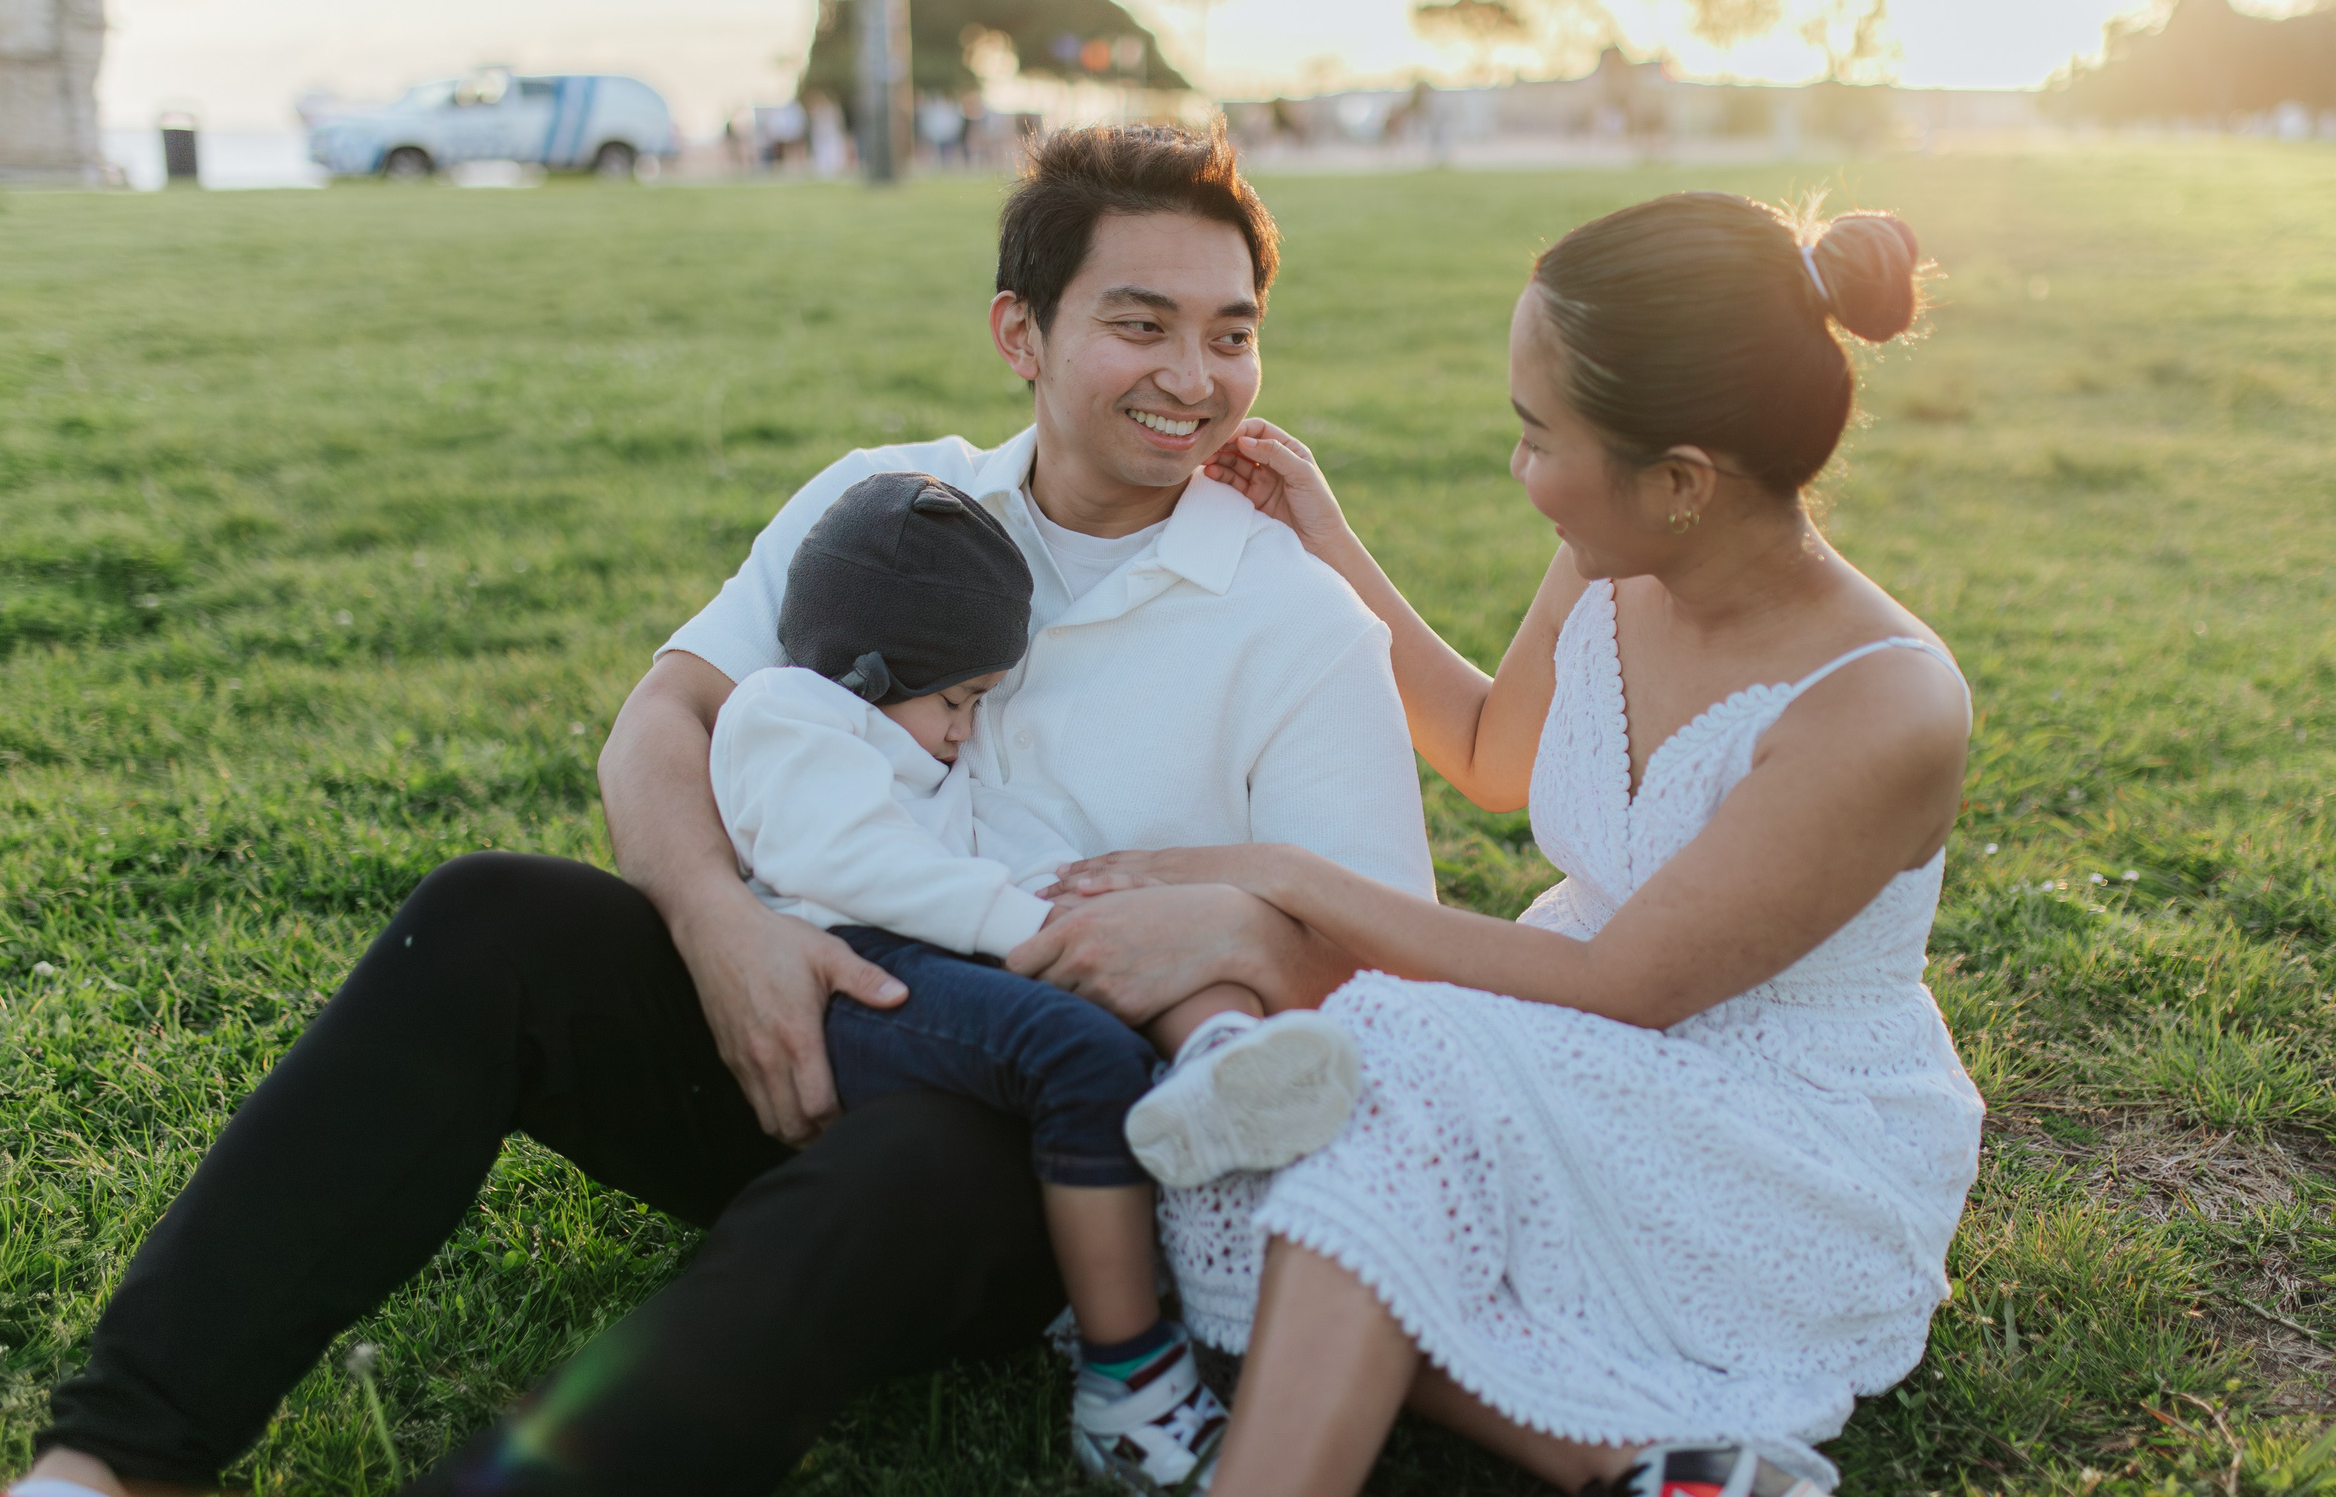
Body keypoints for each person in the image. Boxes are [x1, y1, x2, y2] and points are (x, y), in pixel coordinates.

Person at [18, 122, 1432, 1497]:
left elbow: (1384, 970)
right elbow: (664, 717)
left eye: (1231, 331)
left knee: (906, 1171)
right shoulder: (894, 501)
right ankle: (113, 1454)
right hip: (778, 1011)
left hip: (1042, 1132)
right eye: (1142, 323)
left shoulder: (1297, 623)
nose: (1194, 374)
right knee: (487, 912)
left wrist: (1203, 925)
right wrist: (717, 928)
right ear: (1022, 332)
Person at [1051, 193, 1985, 1496]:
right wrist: (1323, 533)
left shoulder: (1883, 703)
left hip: (1783, 1142)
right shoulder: (1624, 549)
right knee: (1343, 1102)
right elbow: (1495, 750)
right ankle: (1642, 1456)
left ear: (1682, 479)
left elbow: (1628, 989)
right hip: (1589, 1043)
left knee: (1374, 1070)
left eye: (1541, 436)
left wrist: (1275, 877)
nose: (1521, 469)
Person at [712, 468, 1368, 1490]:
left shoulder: (907, 739)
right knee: (1080, 1059)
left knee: (1138, 949)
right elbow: (850, 863)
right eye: (960, 699)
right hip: (855, 974)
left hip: (932, 954)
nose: (966, 726)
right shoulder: (784, 714)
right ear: (877, 666)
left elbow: (984, 839)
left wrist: (1084, 899)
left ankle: (1218, 1064)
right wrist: (1023, 922)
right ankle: (1127, 1378)